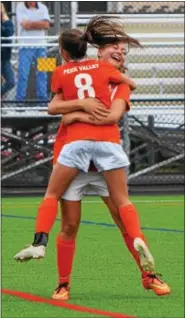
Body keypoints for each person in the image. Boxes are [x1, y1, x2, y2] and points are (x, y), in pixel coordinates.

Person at [14, 16, 170, 298]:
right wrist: (78, 109)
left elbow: (111, 115)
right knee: (70, 224)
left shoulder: (118, 84)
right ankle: (63, 283)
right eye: (115, 47)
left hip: (101, 160)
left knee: (122, 219)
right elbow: (56, 106)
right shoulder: (86, 72)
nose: (120, 52)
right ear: (98, 50)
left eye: (124, 50)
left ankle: (149, 276)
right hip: (73, 157)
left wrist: (73, 115)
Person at [16, 1, 51, 101]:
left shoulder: (43, 7)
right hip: (24, 47)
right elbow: (25, 26)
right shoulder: (19, 7)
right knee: (23, 75)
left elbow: (47, 25)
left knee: (43, 74)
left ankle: (43, 102)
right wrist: (40, 23)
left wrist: (30, 23)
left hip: (42, 47)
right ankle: (19, 102)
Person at [1, 3, 15, 98]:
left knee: (11, 82)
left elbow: (9, 32)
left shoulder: (6, 22)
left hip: (5, 57)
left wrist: (4, 18)